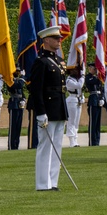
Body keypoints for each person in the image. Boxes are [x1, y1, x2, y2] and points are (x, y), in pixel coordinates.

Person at [31, 26, 68, 190]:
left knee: (57, 147)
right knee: (46, 146)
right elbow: (36, 89)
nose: (59, 40)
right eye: (55, 38)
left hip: (59, 106)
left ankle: (53, 181)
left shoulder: (59, 61)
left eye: (59, 38)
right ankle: (42, 183)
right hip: (47, 108)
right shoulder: (41, 62)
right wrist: (40, 112)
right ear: (46, 40)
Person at [84, 63, 104, 147]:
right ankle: (92, 142)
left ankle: (97, 141)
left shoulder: (97, 78)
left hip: (98, 100)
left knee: (98, 123)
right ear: (90, 69)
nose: (95, 70)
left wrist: (102, 98)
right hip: (93, 100)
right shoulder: (88, 77)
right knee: (93, 123)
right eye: (94, 69)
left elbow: (101, 88)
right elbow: (92, 82)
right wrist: (101, 75)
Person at [7, 68, 27, 150]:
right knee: (13, 127)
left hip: (19, 104)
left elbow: (22, 92)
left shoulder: (19, 80)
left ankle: (16, 145)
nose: (18, 72)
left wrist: (23, 100)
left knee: (18, 126)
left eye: (19, 71)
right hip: (13, 104)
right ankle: (11, 145)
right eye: (17, 71)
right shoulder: (10, 80)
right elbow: (19, 85)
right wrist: (23, 77)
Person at [64, 66, 84, 148]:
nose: (76, 71)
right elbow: (79, 86)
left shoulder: (77, 79)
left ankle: (75, 139)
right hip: (72, 100)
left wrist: (81, 97)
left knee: (76, 122)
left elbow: (80, 90)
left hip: (78, 100)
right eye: (74, 70)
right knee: (71, 121)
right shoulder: (69, 80)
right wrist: (83, 76)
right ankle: (72, 140)